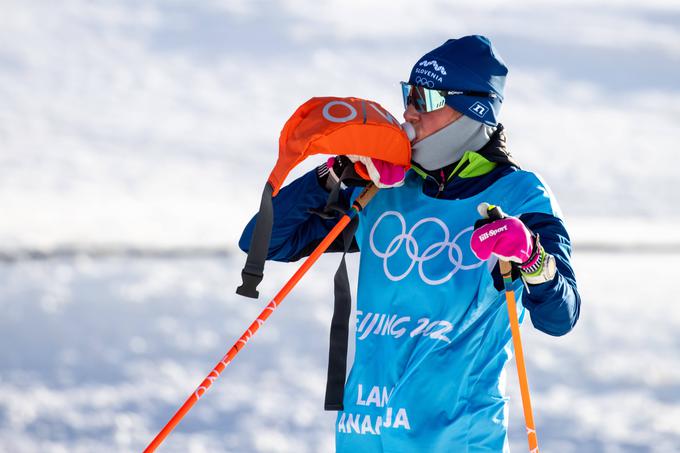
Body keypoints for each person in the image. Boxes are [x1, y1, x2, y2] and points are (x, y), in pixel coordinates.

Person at [240, 35, 580, 452]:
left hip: (455, 442)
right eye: (409, 94)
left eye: (426, 98)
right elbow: (263, 241)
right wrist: (338, 172)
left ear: (473, 109)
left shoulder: (520, 195)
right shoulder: (386, 187)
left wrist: (531, 256)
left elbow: (560, 316)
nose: (409, 111)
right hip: (364, 437)